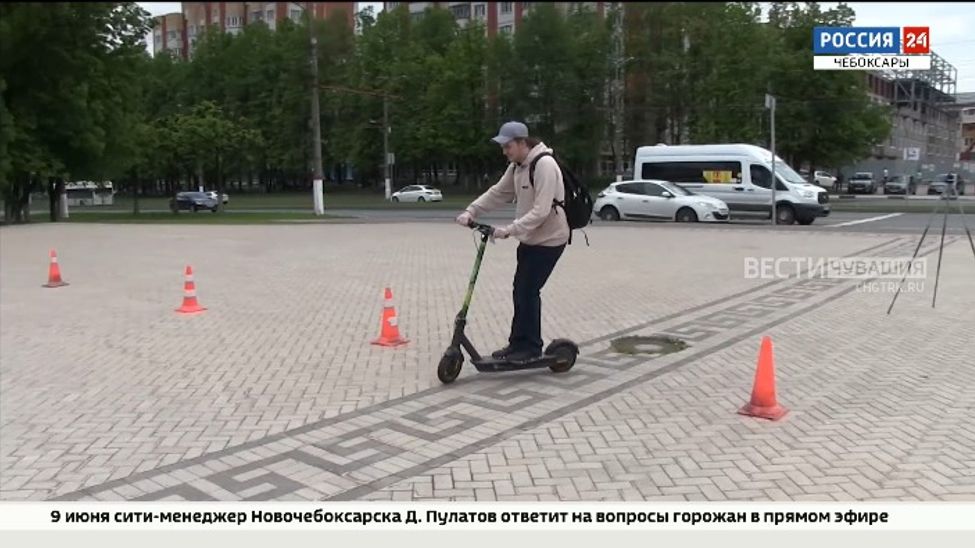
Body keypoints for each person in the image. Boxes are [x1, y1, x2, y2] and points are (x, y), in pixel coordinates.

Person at [455, 121, 570, 362]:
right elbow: (499, 192)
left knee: (527, 291)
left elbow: (541, 211)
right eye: (503, 147)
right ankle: (518, 344)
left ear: (522, 142)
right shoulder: (517, 167)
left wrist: (508, 230)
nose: (504, 151)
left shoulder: (544, 165)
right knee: (521, 291)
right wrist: (472, 211)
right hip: (530, 239)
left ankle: (530, 347)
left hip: (550, 240)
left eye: (508, 146)